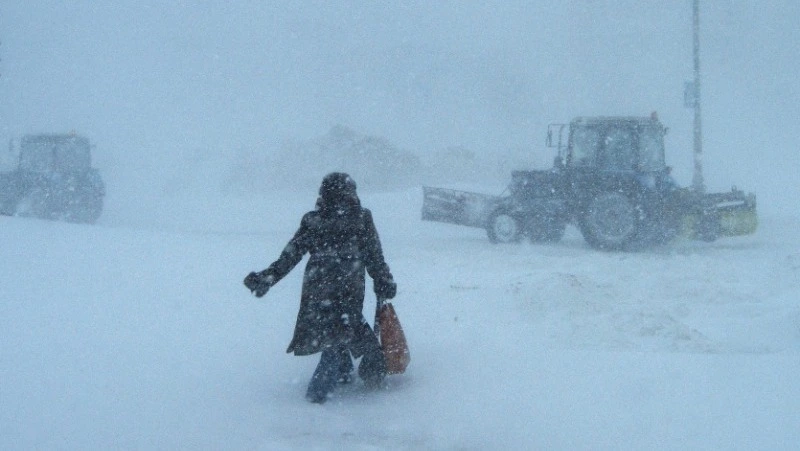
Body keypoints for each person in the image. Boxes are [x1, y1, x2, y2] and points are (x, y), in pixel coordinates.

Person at [244, 172, 397, 404]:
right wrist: (383, 280)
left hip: (318, 289)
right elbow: (374, 256)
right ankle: (316, 399)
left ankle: (344, 376)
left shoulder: (314, 220)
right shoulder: (361, 219)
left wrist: (268, 277)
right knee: (341, 335)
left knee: (335, 333)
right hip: (348, 289)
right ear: (351, 194)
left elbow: (291, 254)